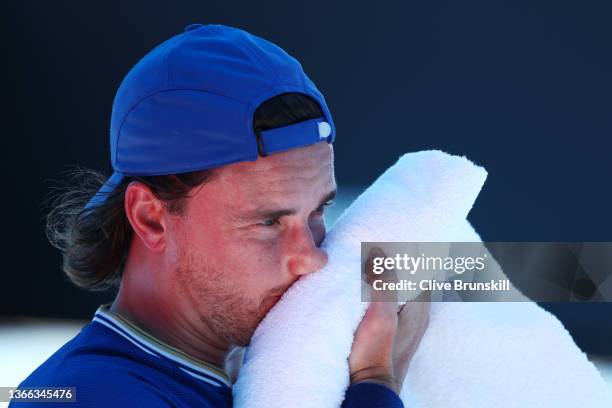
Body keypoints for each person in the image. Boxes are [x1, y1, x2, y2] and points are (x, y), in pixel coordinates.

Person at [12, 24, 429, 407]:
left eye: (318, 211)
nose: (312, 258)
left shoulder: (277, 371)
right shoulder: (80, 398)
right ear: (150, 217)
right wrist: (376, 383)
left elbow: (480, 276)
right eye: (268, 222)